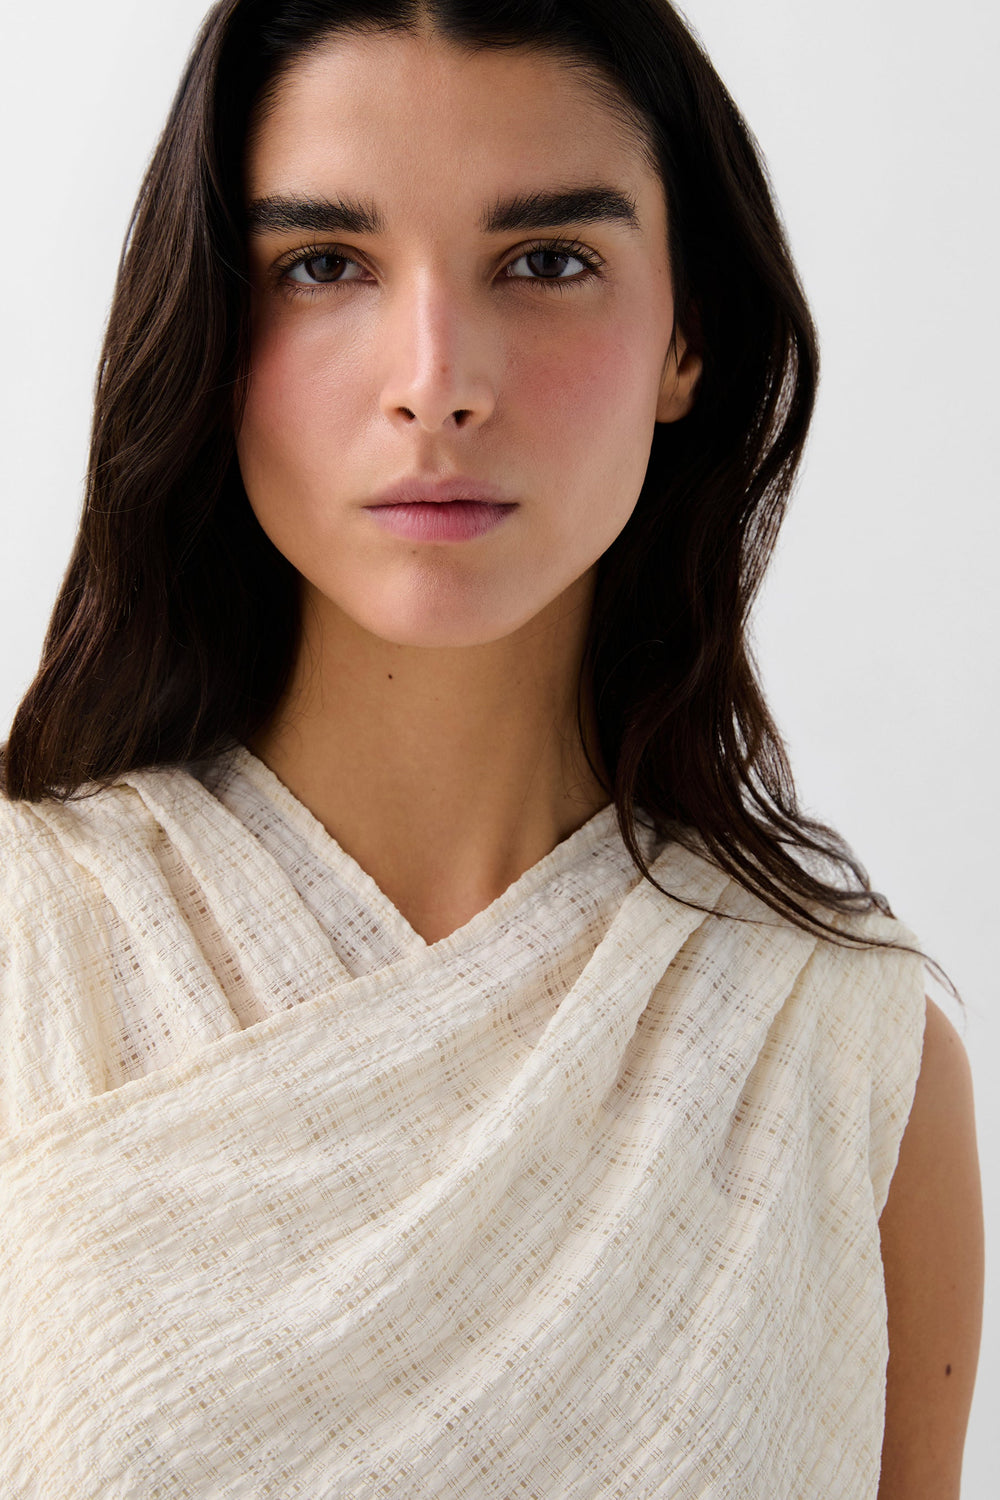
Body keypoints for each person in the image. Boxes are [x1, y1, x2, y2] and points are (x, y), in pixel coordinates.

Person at [0, 1, 983, 1495]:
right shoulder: (26, 937)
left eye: (546, 262)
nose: (437, 379)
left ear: (689, 336)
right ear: (213, 323)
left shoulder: (845, 1061)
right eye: (324, 265)